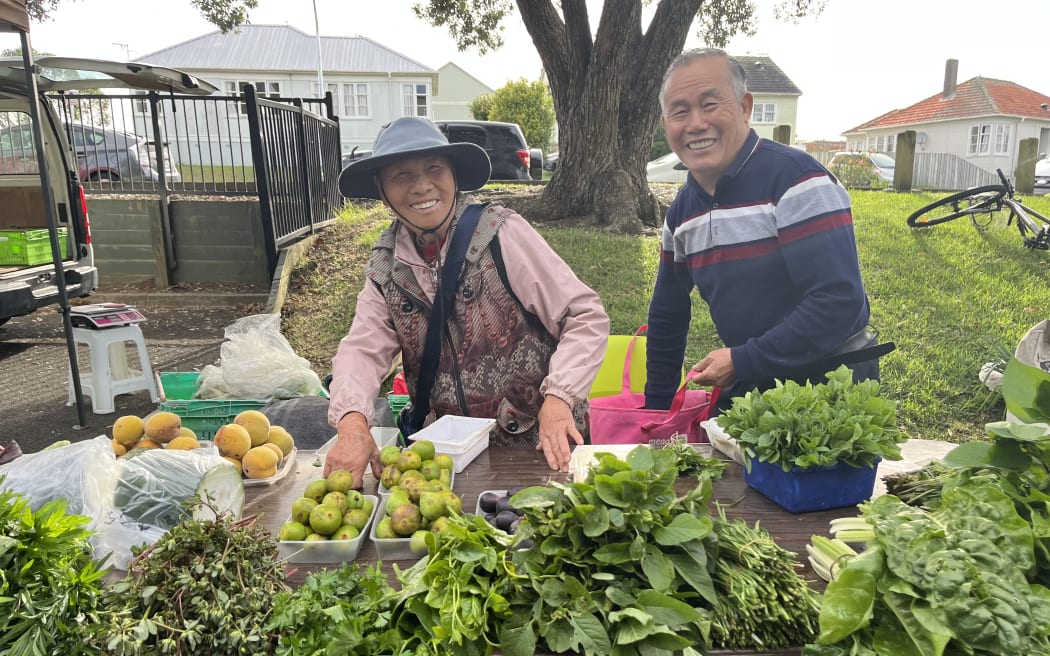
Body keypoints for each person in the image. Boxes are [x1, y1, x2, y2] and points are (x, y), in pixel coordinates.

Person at [324, 116, 609, 486]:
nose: (422, 186)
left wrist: (560, 398)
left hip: (540, 446)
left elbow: (583, 315)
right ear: (382, 190)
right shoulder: (386, 264)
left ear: (454, 175)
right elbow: (361, 351)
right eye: (401, 176)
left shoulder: (500, 234)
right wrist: (351, 423)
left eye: (434, 169)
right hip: (447, 459)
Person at [644, 47, 883, 416]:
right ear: (665, 125)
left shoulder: (797, 180)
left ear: (744, 107)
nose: (695, 124)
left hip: (830, 378)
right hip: (754, 383)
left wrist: (742, 360)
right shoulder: (681, 213)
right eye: (680, 111)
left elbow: (838, 301)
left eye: (710, 105)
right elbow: (667, 315)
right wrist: (656, 414)